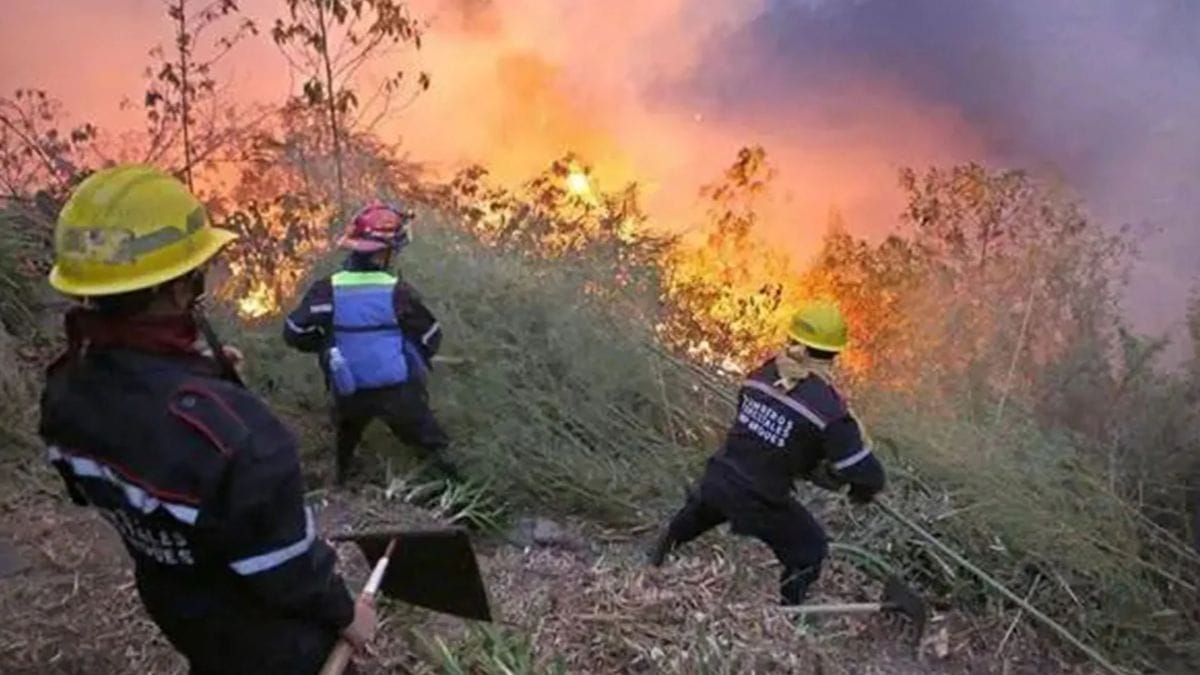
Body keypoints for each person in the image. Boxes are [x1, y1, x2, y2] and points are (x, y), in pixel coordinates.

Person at [39, 165, 375, 675]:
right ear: (180, 288)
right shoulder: (244, 440)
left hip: (177, 607)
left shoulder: (64, 388)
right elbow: (287, 569)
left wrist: (194, 378)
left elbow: (95, 483)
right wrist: (348, 615)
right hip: (274, 643)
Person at [648, 301, 886, 606]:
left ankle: (656, 556)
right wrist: (859, 490)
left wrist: (801, 458)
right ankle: (790, 614)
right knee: (810, 549)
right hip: (760, 498)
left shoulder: (761, 374)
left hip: (719, 476)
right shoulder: (830, 410)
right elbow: (866, 474)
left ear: (793, 340)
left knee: (705, 507)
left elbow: (765, 436)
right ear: (834, 354)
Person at [283, 201, 455, 485]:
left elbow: (293, 331)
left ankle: (341, 488)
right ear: (382, 253)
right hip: (398, 391)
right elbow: (431, 336)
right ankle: (458, 495)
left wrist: (326, 343)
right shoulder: (398, 292)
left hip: (347, 387)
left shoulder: (327, 289)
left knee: (345, 450)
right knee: (434, 448)